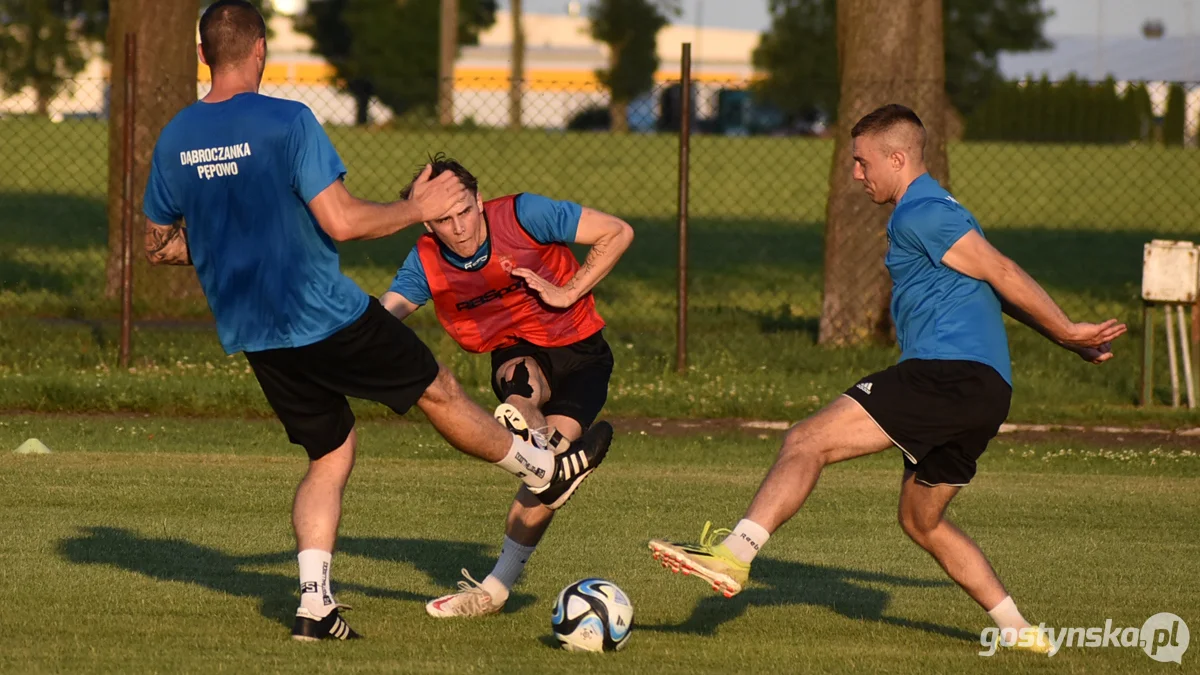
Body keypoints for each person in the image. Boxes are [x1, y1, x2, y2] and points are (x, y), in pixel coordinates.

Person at [142, 0, 612, 643]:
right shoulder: (288, 121)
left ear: (202, 55)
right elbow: (342, 222)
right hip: (319, 309)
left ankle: (315, 606)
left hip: (253, 330)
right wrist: (411, 206)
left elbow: (158, 243)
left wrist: (228, 234)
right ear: (260, 50)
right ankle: (542, 468)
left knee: (330, 454)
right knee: (438, 387)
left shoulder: (174, 137)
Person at [646, 103, 1127, 655]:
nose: (855, 172)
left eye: (861, 160)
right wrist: (1068, 342)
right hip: (985, 390)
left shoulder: (921, 211)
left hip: (948, 376)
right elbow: (993, 289)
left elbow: (1002, 271)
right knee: (921, 520)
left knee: (806, 440)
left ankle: (734, 553)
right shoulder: (936, 211)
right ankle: (1020, 632)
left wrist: (1067, 331)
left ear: (897, 158)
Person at [379, 156, 634, 618]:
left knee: (545, 479)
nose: (458, 228)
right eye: (442, 219)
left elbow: (618, 231)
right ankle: (533, 437)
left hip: (584, 355)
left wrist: (568, 291)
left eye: (463, 211)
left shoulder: (523, 215)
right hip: (515, 351)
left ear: (479, 200)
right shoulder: (426, 261)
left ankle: (496, 588)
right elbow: (383, 321)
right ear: (426, 223)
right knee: (520, 383)